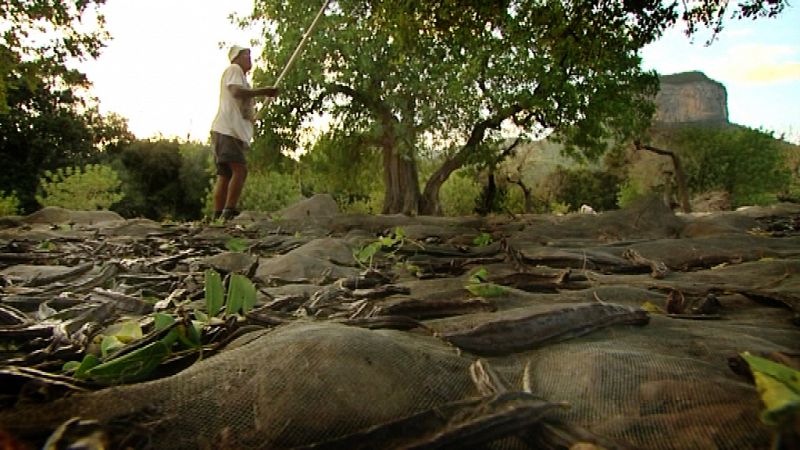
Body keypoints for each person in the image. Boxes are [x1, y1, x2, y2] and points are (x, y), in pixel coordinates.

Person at [210, 45, 279, 221]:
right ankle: (228, 211)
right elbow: (236, 92)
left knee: (225, 175)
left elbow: (242, 106)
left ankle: (218, 215)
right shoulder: (234, 70)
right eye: (246, 56)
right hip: (228, 131)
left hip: (227, 131)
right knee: (240, 171)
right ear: (236, 58)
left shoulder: (242, 78)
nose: (250, 59)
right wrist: (265, 91)